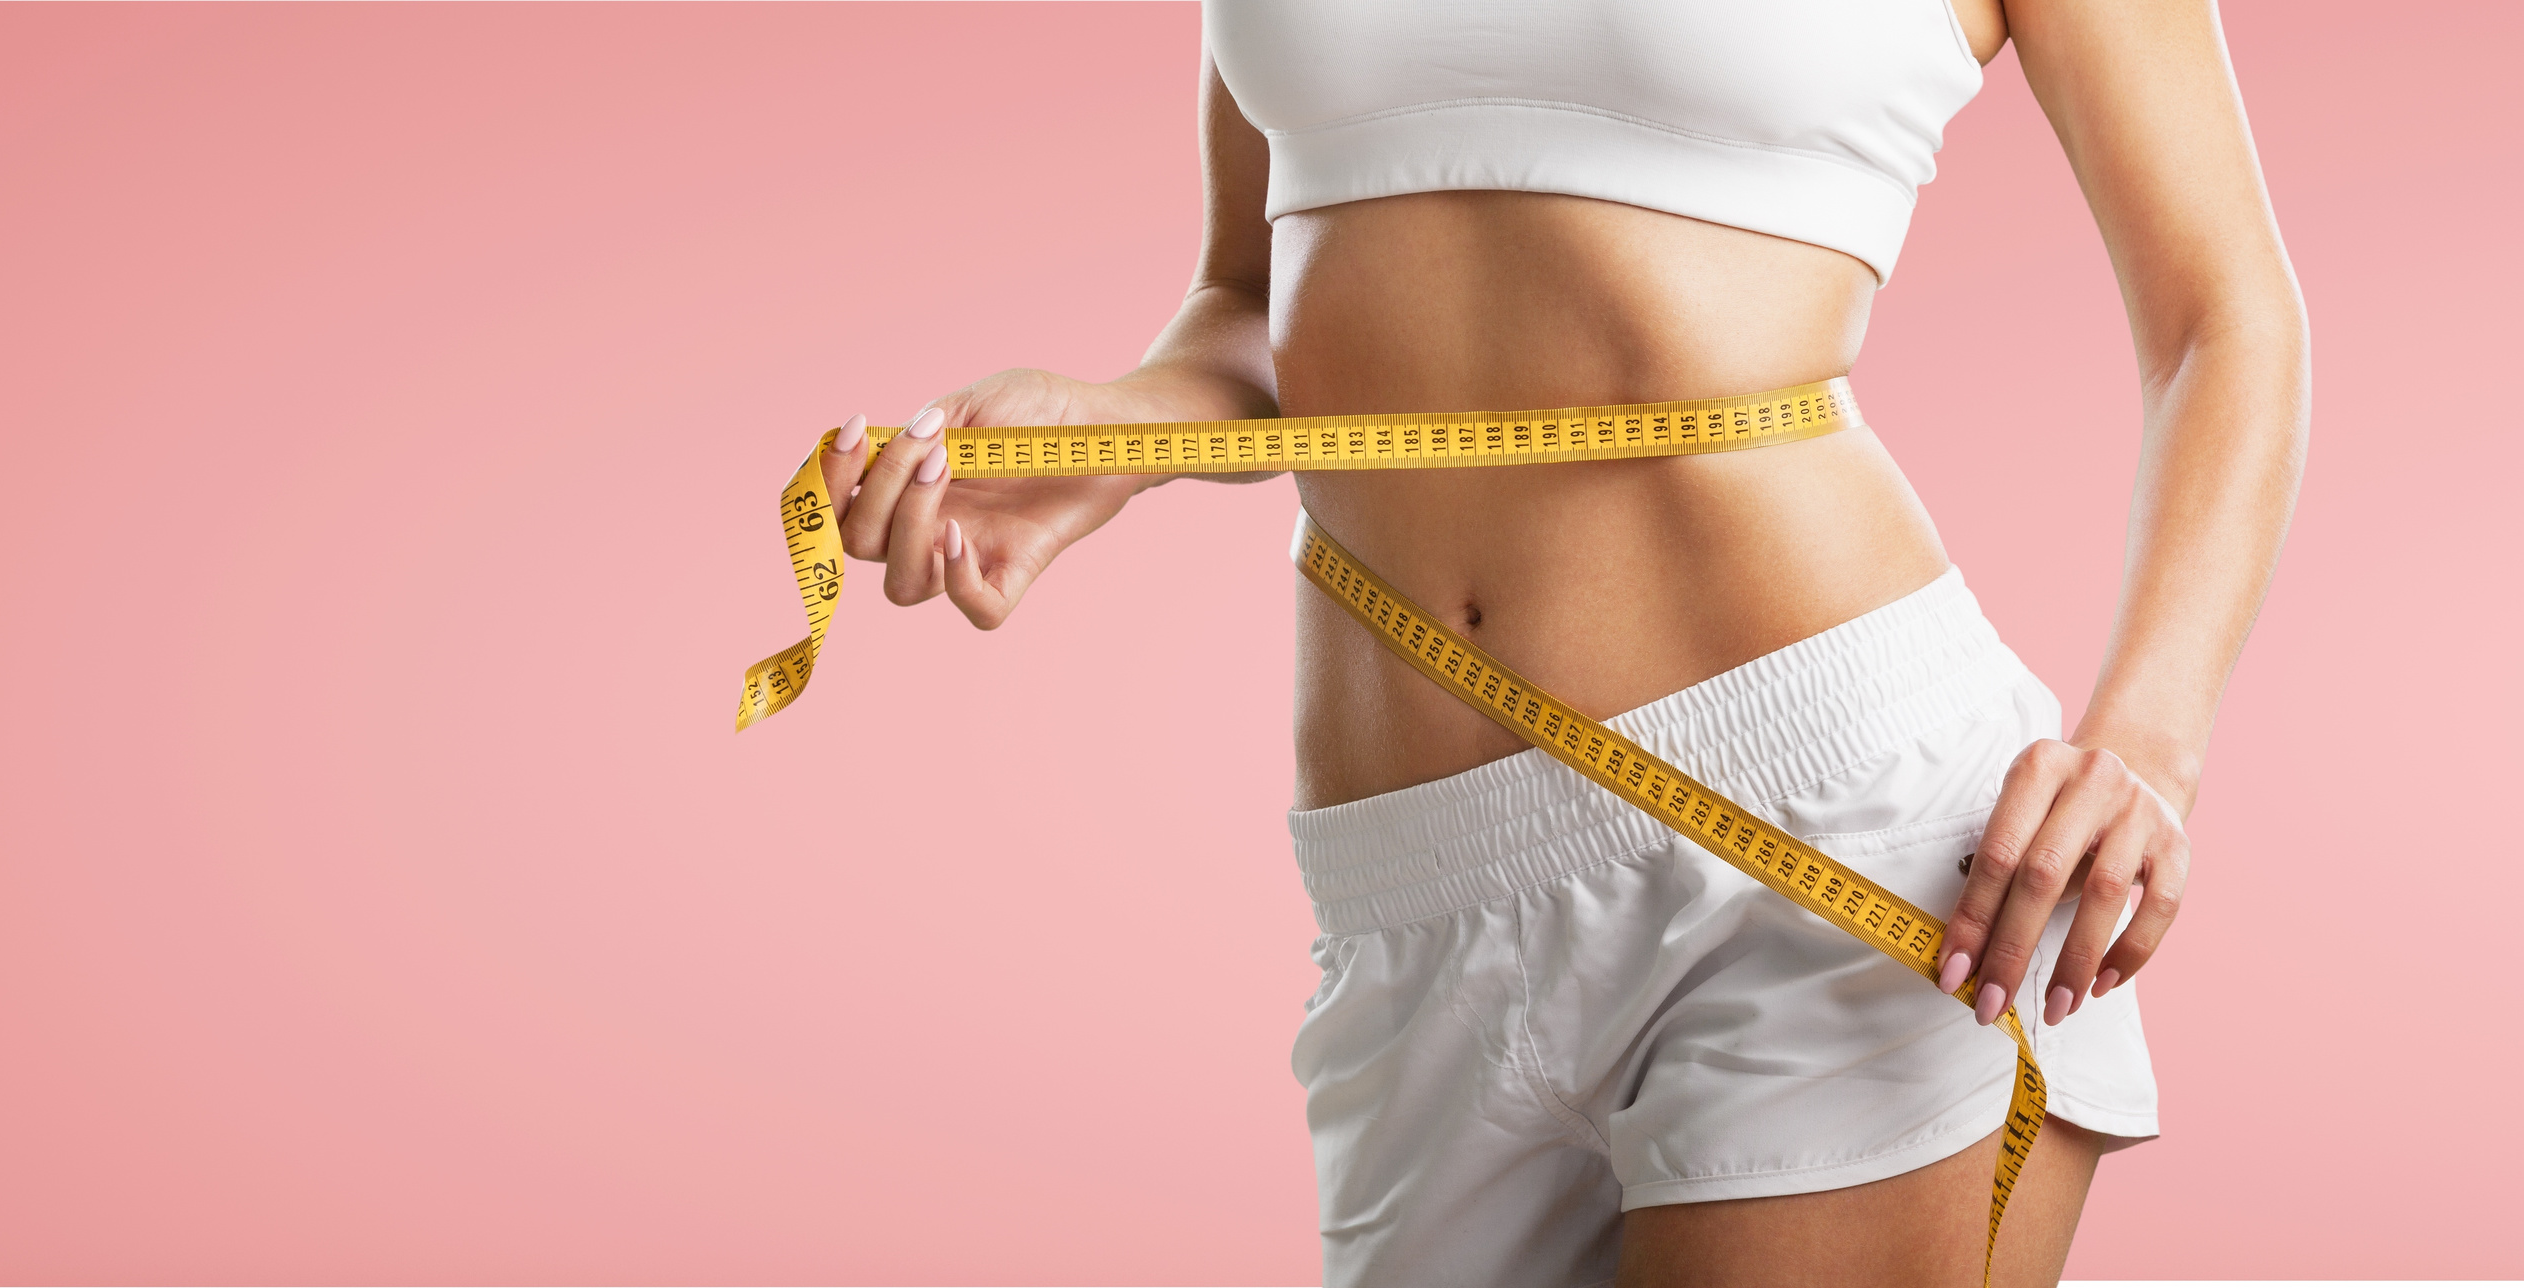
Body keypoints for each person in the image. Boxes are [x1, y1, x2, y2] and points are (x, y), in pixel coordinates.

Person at [805, 0, 2303, 1285]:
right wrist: (1113, 439)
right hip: (1406, 886)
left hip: (1826, 844)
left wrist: (2147, 748)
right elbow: (1257, 310)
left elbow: (2223, 317)